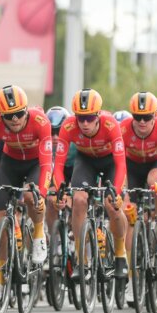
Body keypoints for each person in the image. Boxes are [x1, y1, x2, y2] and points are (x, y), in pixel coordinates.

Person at [52, 88, 129, 281]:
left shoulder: (111, 124)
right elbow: (58, 165)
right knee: (78, 200)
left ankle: (120, 254)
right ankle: (81, 259)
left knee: (113, 205)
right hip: (85, 161)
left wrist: (117, 192)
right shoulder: (68, 127)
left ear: (98, 116)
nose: (85, 123)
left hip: (110, 161)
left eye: (89, 118)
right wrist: (61, 190)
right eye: (81, 118)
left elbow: (121, 164)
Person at [0, 84, 52, 267]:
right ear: (0, 115)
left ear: (26, 111)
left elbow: (47, 163)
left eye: (19, 114)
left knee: (32, 196)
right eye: (8, 116)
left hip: (35, 163)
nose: (15, 120)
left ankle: (38, 234)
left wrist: (43, 194)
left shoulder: (40, 121)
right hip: (10, 163)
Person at [121, 92, 157, 257]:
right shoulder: (123, 128)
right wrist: (124, 194)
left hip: (155, 164)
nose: (142, 122)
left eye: (147, 117)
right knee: (129, 213)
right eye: (138, 117)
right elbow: (120, 163)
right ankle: (128, 268)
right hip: (132, 166)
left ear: (154, 115)